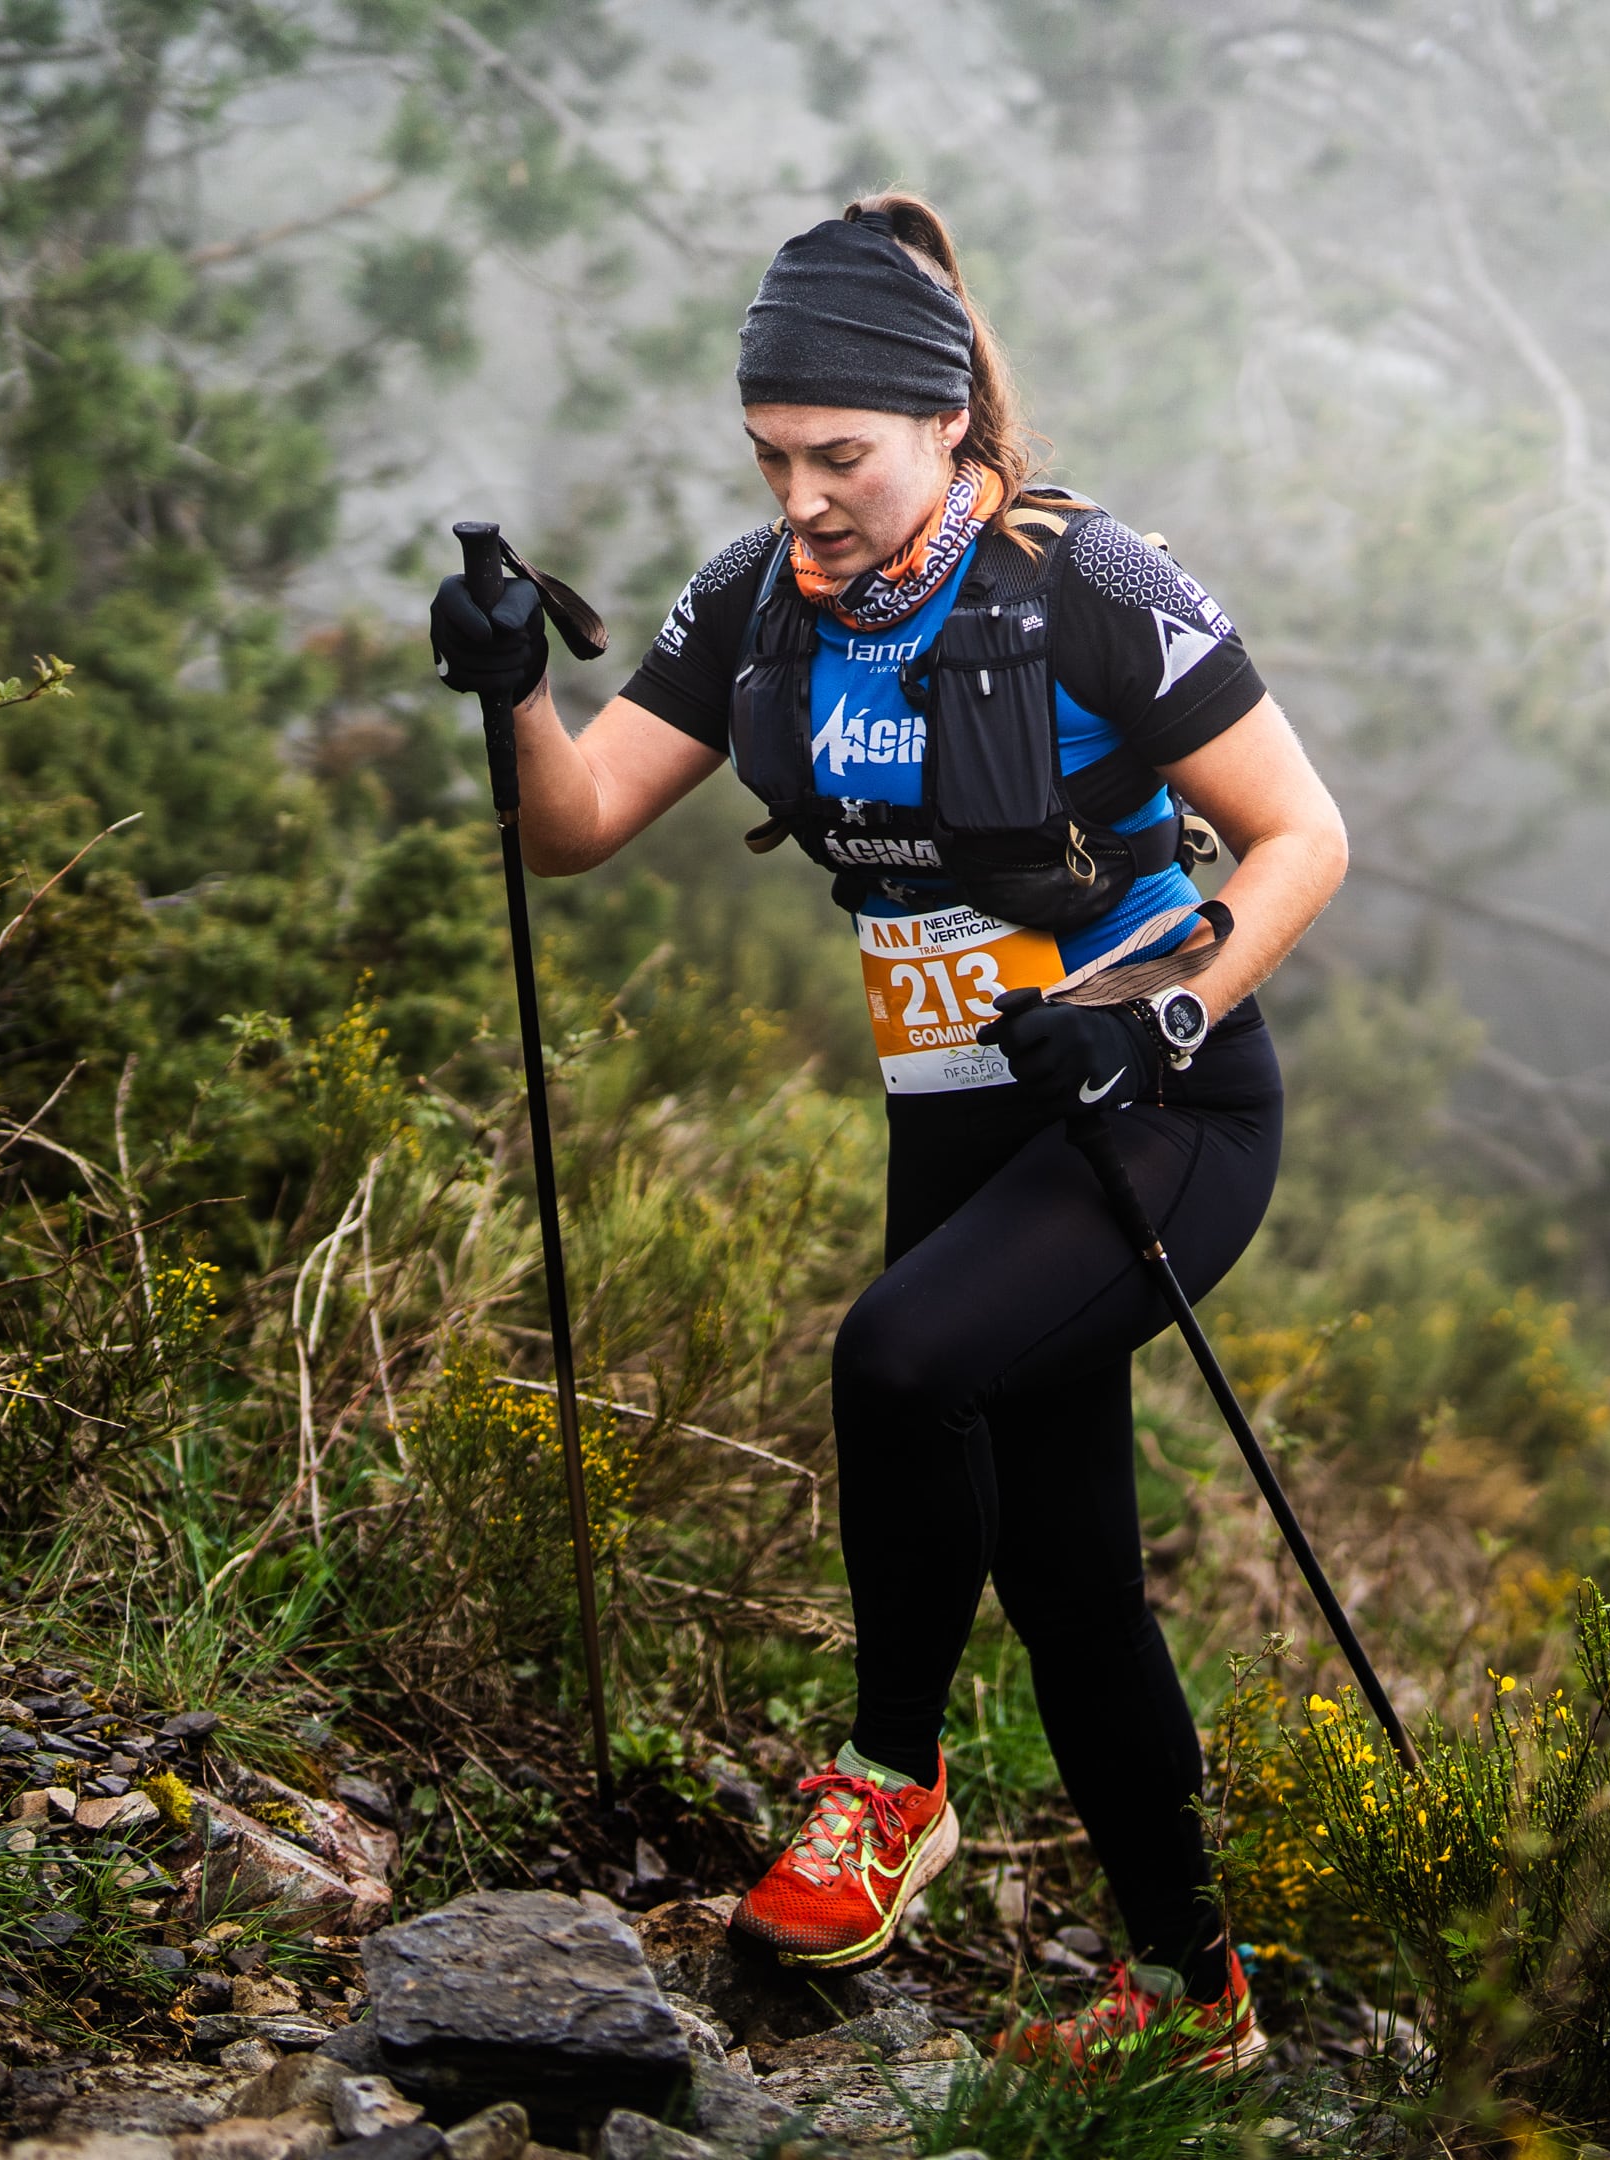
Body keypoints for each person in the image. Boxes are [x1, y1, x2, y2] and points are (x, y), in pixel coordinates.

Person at [426, 194, 1347, 2071]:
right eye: (771, 456)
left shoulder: (1088, 582)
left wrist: (1160, 1008)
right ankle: (1194, 1996)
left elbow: (1302, 839)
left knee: (899, 1357)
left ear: (950, 429)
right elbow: (577, 820)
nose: (801, 497)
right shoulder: (761, 595)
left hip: (1149, 1105)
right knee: (1073, 1568)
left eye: (838, 456)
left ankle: (888, 1778)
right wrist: (520, 688)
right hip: (954, 1116)